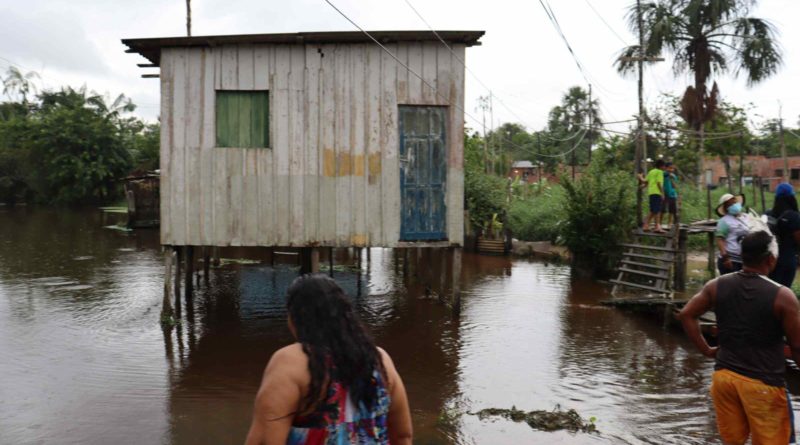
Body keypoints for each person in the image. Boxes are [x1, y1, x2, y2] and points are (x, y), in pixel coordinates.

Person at [245, 274, 413, 445]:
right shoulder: (379, 359)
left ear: (294, 318)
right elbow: (402, 436)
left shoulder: (290, 362)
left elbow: (263, 441)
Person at [679, 231, 800, 445]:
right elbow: (797, 346)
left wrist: (706, 350)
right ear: (771, 260)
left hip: (724, 379)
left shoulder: (717, 285)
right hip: (763, 386)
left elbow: (687, 314)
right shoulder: (783, 296)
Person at [768, 183, 800, 287]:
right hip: (788, 258)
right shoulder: (794, 216)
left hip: (770, 259)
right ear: (791, 197)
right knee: (784, 289)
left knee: (771, 289)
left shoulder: (768, 214)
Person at [715, 193, 748, 275]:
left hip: (745, 260)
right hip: (731, 261)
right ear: (726, 208)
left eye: (734, 202)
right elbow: (720, 239)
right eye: (730, 204)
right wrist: (725, 258)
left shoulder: (746, 217)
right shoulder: (724, 221)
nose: (734, 205)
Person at [638, 159, 666, 233]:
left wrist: (640, 177)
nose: (664, 168)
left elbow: (645, 181)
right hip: (657, 193)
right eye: (664, 166)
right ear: (661, 166)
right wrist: (662, 193)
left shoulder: (651, 171)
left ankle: (646, 225)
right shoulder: (660, 172)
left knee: (653, 210)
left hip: (651, 193)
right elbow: (659, 183)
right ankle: (657, 227)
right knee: (657, 210)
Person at [660, 162, 679, 229]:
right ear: (666, 167)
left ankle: (669, 223)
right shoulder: (663, 174)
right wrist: (668, 174)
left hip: (672, 194)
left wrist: (672, 180)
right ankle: (660, 223)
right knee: (662, 209)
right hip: (664, 194)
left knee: (672, 210)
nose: (671, 169)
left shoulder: (674, 176)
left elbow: (675, 186)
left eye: (672, 168)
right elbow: (663, 178)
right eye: (670, 168)